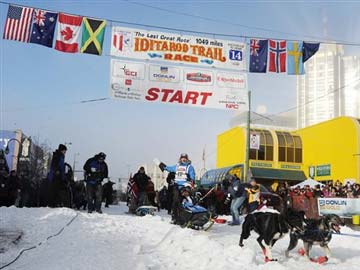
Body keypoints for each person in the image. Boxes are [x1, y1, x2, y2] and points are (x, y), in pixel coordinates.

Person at [164, 153, 195, 223]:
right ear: (180, 159)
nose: (183, 159)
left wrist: (192, 181)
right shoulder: (177, 166)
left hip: (185, 185)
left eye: (185, 158)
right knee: (176, 200)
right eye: (182, 158)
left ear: (187, 159)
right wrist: (163, 166)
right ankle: (174, 217)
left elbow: (192, 175)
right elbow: (169, 168)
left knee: (188, 200)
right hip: (177, 186)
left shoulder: (189, 167)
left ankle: (188, 216)